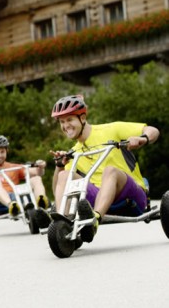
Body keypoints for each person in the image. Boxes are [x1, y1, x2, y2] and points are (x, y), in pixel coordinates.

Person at [50, 94, 159, 242]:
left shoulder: (112, 129)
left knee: (110, 170)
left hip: (131, 196)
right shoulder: (74, 152)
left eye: (69, 119)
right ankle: (63, 224)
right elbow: (59, 187)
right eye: (62, 122)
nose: (65, 126)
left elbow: (153, 130)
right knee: (65, 176)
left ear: (82, 118)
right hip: (100, 198)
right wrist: (59, 166)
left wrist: (142, 138)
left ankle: (94, 221)